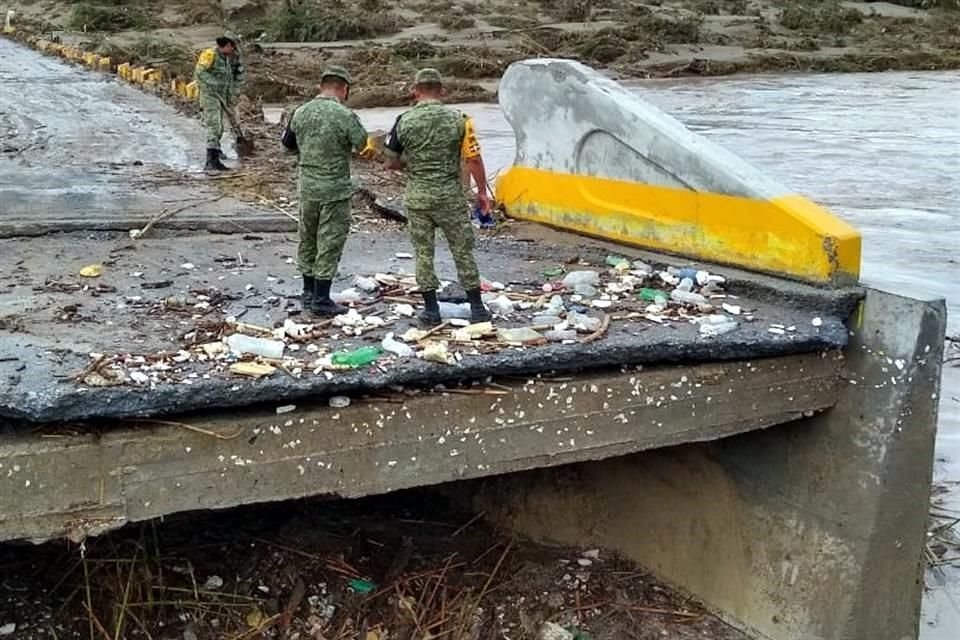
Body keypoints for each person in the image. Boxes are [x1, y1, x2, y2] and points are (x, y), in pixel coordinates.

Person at [383, 68, 492, 327]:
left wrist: (410, 163)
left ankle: (431, 310)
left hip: (418, 197)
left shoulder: (403, 121)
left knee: (423, 252)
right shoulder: (460, 119)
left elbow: (390, 161)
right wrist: (482, 192)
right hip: (450, 198)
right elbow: (474, 158)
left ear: (415, 91)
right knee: (462, 250)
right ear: (442, 91)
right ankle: (477, 307)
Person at [281, 66, 368, 317]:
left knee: (308, 238)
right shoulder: (345, 115)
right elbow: (363, 144)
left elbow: (287, 147)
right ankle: (321, 298)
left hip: (307, 187)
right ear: (344, 89)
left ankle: (308, 292)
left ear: (321, 87)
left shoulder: (300, 112)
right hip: (335, 190)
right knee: (329, 241)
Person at [195, 34, 240, 171]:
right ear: (227, 46)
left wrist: (230, 97)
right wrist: (214, 84)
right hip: (210, 96)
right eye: (232, 47)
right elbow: (199, 72)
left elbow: (228, 80)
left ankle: (215, 154)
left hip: (221, 97)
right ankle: (211, 160)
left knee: (219, 128)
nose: (233, 51)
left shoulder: (225, 58)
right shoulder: (210, 54)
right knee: (214, 126)